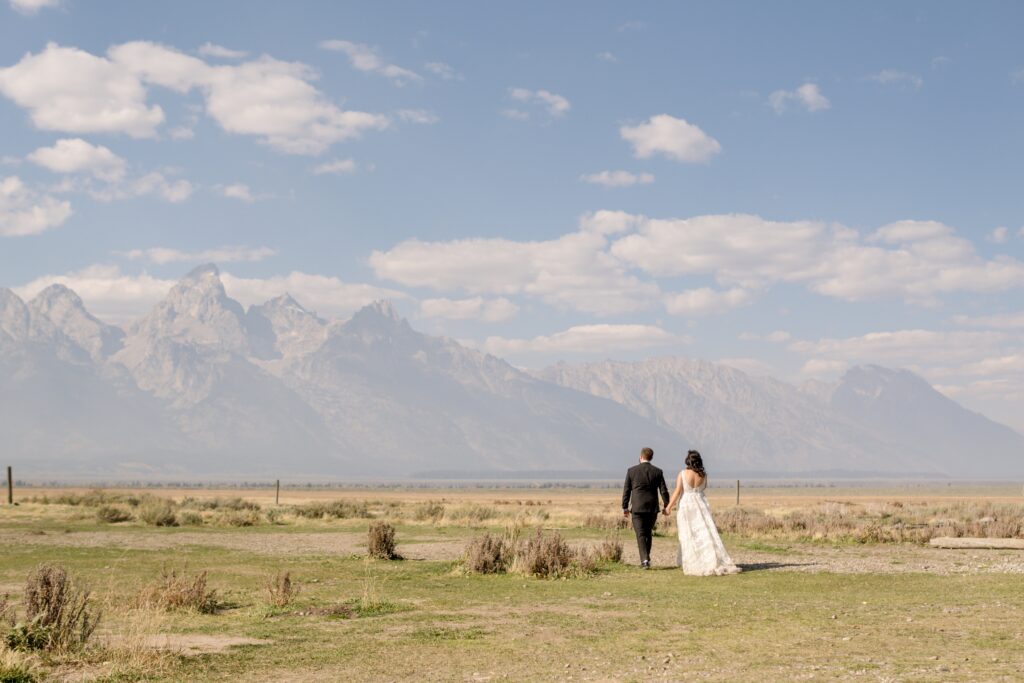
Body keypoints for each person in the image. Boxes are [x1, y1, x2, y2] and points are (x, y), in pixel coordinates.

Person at [663, 450, 740, 576]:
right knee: (704, 532)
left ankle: (694, 560)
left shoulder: (683, 473)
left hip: (687, 503)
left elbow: (677, 491)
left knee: (689, 532)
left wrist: (668, 507)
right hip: (700, 503)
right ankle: (708, 559)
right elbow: (703, 488)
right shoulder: (703, 475)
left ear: (688, 461)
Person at [621, 447, 670, 569]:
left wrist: (625, 507)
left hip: (637, 508)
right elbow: (664, 490)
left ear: (640, 457)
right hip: (652, 508)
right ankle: (646, 558)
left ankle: (644, 560)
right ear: (651, 457)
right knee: (647, 533)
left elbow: (626, 490)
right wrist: (666, 505)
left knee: (641, 534)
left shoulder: (631, 471)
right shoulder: (658, 472)